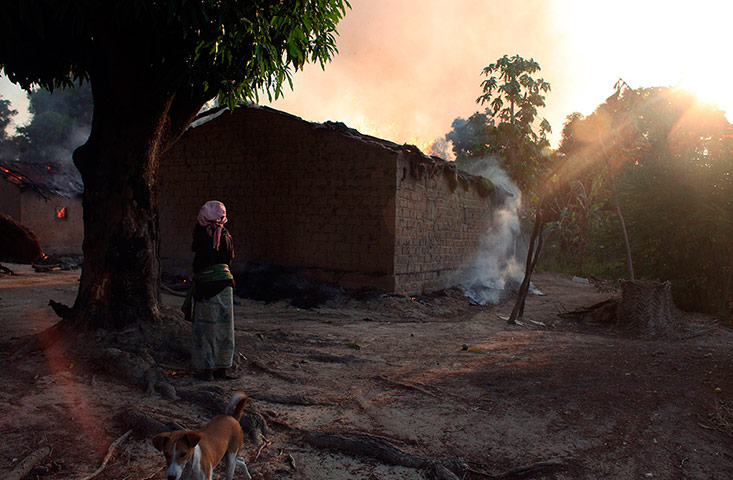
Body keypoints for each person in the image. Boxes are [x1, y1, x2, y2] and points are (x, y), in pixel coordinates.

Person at [182, 200, 236, 381]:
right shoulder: (226, 234)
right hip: (225, 286)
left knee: (205, 328)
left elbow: (198, 255)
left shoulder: (200, 233)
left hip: (206, 286)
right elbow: (229, 259)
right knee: (224, 328)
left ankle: (207, 370)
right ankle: (222, 368)